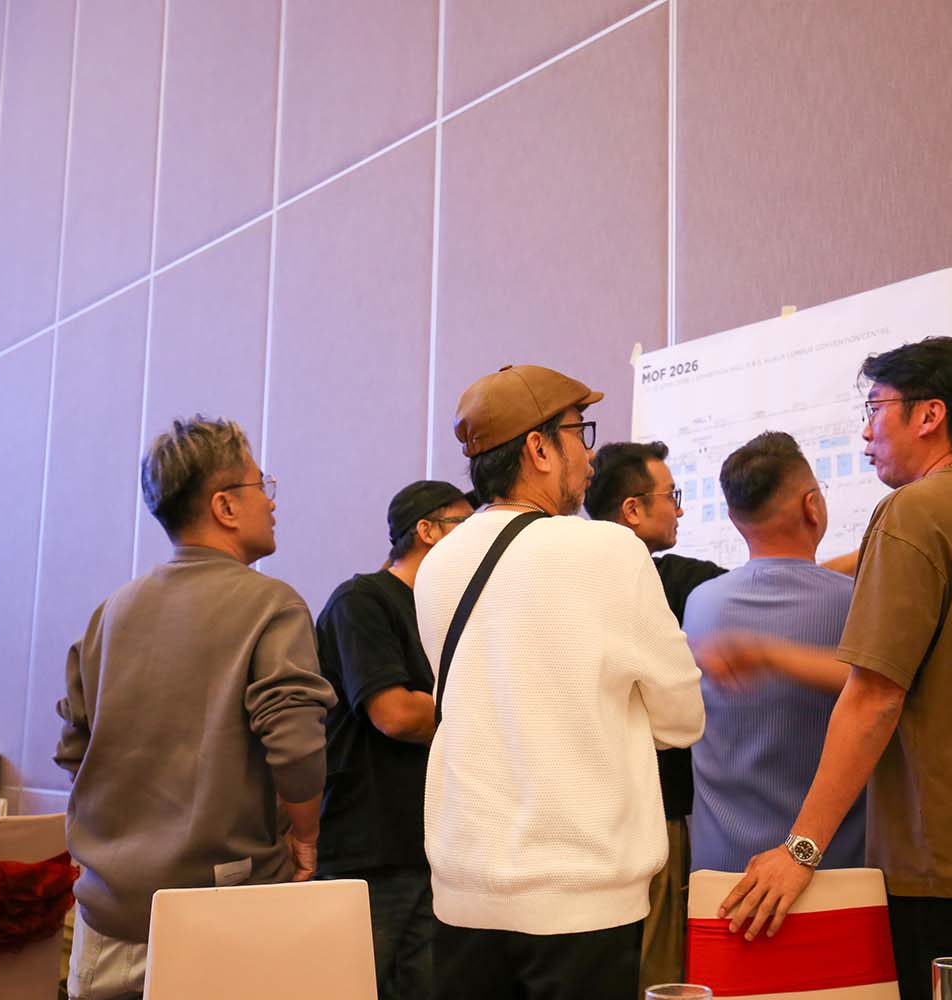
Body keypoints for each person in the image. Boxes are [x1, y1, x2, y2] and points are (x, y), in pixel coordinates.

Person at [700, 338, 952, 1000]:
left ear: (929, 415)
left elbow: (873, 697)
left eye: (876, 408)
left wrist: (801, 850)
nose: (865, 431)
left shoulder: (912, 512)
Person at [414, 364, 705, 1000]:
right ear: (538, 448)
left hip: (463, 891)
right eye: (579, 432)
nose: (590, 453)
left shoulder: (437, 565)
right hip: (584, 892)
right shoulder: (609, 551)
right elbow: (683, 718)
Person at [55, 416, 335, 1000]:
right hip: (221, 916)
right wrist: (305, 835)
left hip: (104, 918)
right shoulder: (272, 604)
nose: (272, 503)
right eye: (262, 486)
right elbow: (296, 741)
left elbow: (74, 749)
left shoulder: (109, 613)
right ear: (225, 506)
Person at [314, 480, 473, 1000]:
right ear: (426, 530)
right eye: (464, 525)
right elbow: (396, 714)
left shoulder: (446, 614)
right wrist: (482, 713)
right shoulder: (362, 600)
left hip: (433, 847)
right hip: (369, 849)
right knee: (354, 988)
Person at [682, 431, 865, 873]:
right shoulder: (855, 605)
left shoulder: (702, 603)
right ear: (812, 506)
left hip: (722, 875)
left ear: (733, 518)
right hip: (833, 871)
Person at [583, 442, 726, 990]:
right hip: (653, 816)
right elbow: (766, 583)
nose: (680, 509)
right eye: (672, 495)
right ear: (633, 510)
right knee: (655, 974)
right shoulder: (674, 582)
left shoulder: (561, 581)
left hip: (582, 820)